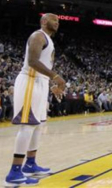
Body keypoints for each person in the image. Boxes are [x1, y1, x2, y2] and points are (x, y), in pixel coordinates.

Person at [4, 13, 66, 187]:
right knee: (28, 126)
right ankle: (14, 172)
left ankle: (30, 164)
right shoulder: (38, 36)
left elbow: (44, 65)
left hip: (40, 82)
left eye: (59, 21)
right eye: (54, 20)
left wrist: (50, 83)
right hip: (29, 81)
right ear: (44, 21)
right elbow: (32, 61)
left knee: (38, 126)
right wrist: (55, 76)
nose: (57, 23)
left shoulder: (48, 39)